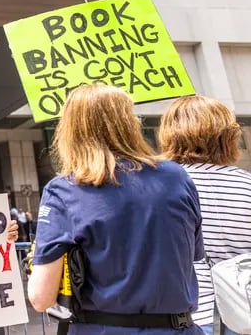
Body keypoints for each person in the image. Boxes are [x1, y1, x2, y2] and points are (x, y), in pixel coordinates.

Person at [28, 84, 204, 334]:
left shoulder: (64, 190)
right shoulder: (177, 177)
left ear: (70, 130)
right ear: (130, 123)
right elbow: (191, 255)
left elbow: (40, 298)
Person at [158, 95, 251, 335]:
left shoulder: (159, 188)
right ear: (229, 137)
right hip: (245, 315)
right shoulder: (247, 184)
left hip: (188, 316)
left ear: (169, 134)